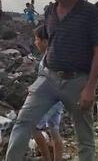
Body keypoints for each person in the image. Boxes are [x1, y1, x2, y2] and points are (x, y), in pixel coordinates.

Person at [6, 0, 98, 161]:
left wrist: (90, 88)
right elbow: (51, 42)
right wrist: (40, 75)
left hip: (77, 82)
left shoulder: (90, 13)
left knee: (84, 137)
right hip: (49, 79)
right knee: (22, 123)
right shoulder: (50, 11)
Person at [32, 25, 64, 161]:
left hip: (51, 100)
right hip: (58, 100)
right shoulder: (53, 55)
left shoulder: (49, 59)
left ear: (45, 41)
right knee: (54, 131)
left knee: (33, 127)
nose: (35, 42)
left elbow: (49, 80)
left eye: (36, 39)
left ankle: (46, 158)